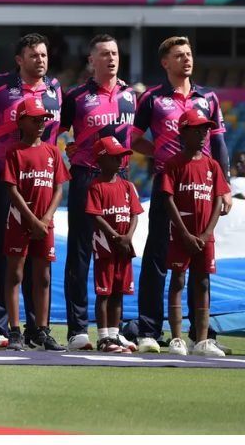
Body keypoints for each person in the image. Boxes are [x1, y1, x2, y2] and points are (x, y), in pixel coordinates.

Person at [131, 36, 228, 353]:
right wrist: (161, 153)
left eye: (188, 54)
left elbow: (219, 143)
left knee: (200, 261)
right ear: (165, 62)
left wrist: (224, 186)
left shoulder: (208, 97)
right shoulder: (152, 98)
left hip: (202, 189)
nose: (186, 59)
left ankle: (201, 335)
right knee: (158, 257)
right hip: (169, 185)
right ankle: (149, 331)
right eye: (178, 55)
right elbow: (134, 139)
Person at [0, 33, 62, 347]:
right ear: (19, 60)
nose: (41, 60)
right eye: (34, 55)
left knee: (40, 257)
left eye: (44, 55)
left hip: (42, 181)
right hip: (4, 178)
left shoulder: (55, 88)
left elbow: (59, 126)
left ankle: (38, 328)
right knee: (2, 253)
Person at [59, 34, 135, 350]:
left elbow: (139, 136)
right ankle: (77, 330)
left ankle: (112, 330)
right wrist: (69, 150)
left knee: (118, 252)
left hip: (120, 180)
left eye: (114, 53)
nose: (111, 58)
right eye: (104, 53)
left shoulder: (131, 95)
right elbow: (55, 131)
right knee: (80, 254)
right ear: (91, 60)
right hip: (86, 178)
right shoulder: (76, 96)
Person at [156, 110, 231, 357]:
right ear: (183, 132)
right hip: (181, 234)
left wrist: (206, 233)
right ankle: (177, 339)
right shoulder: (174, 164)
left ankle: (202, 340)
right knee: (178, 280)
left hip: (205, 235)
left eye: (205, 130)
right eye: (197, 130)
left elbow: (218, 200)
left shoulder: (212, 165)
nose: (203, 135)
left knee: (202, 282)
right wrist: (185, 233)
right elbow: (168, 200)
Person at [1, 98, 68, 351]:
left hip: (45, 222)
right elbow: (12, 189)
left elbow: (59, 189)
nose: (41, 124)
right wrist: (32, 219)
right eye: (35, 119)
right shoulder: (15, 151)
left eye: (43, 119)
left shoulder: (52, 151)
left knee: (44, 277)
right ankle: (14, 330)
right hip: (21, 220)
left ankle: (42, 330)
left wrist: (46, 219)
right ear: (21, 122)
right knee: (15, 274)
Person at [85, 136, 142, 353]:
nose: (120, 161)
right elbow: (96, 215)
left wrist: (127, 236)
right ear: (101, 159)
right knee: (104, 293)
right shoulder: (96, 186)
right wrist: (115, 236)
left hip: (124, 247)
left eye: (122, 157)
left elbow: (134, 213)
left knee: (119, 292)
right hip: (105, 247)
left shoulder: (127, 186)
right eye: (115, 157)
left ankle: (114, 334)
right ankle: (103, 338)